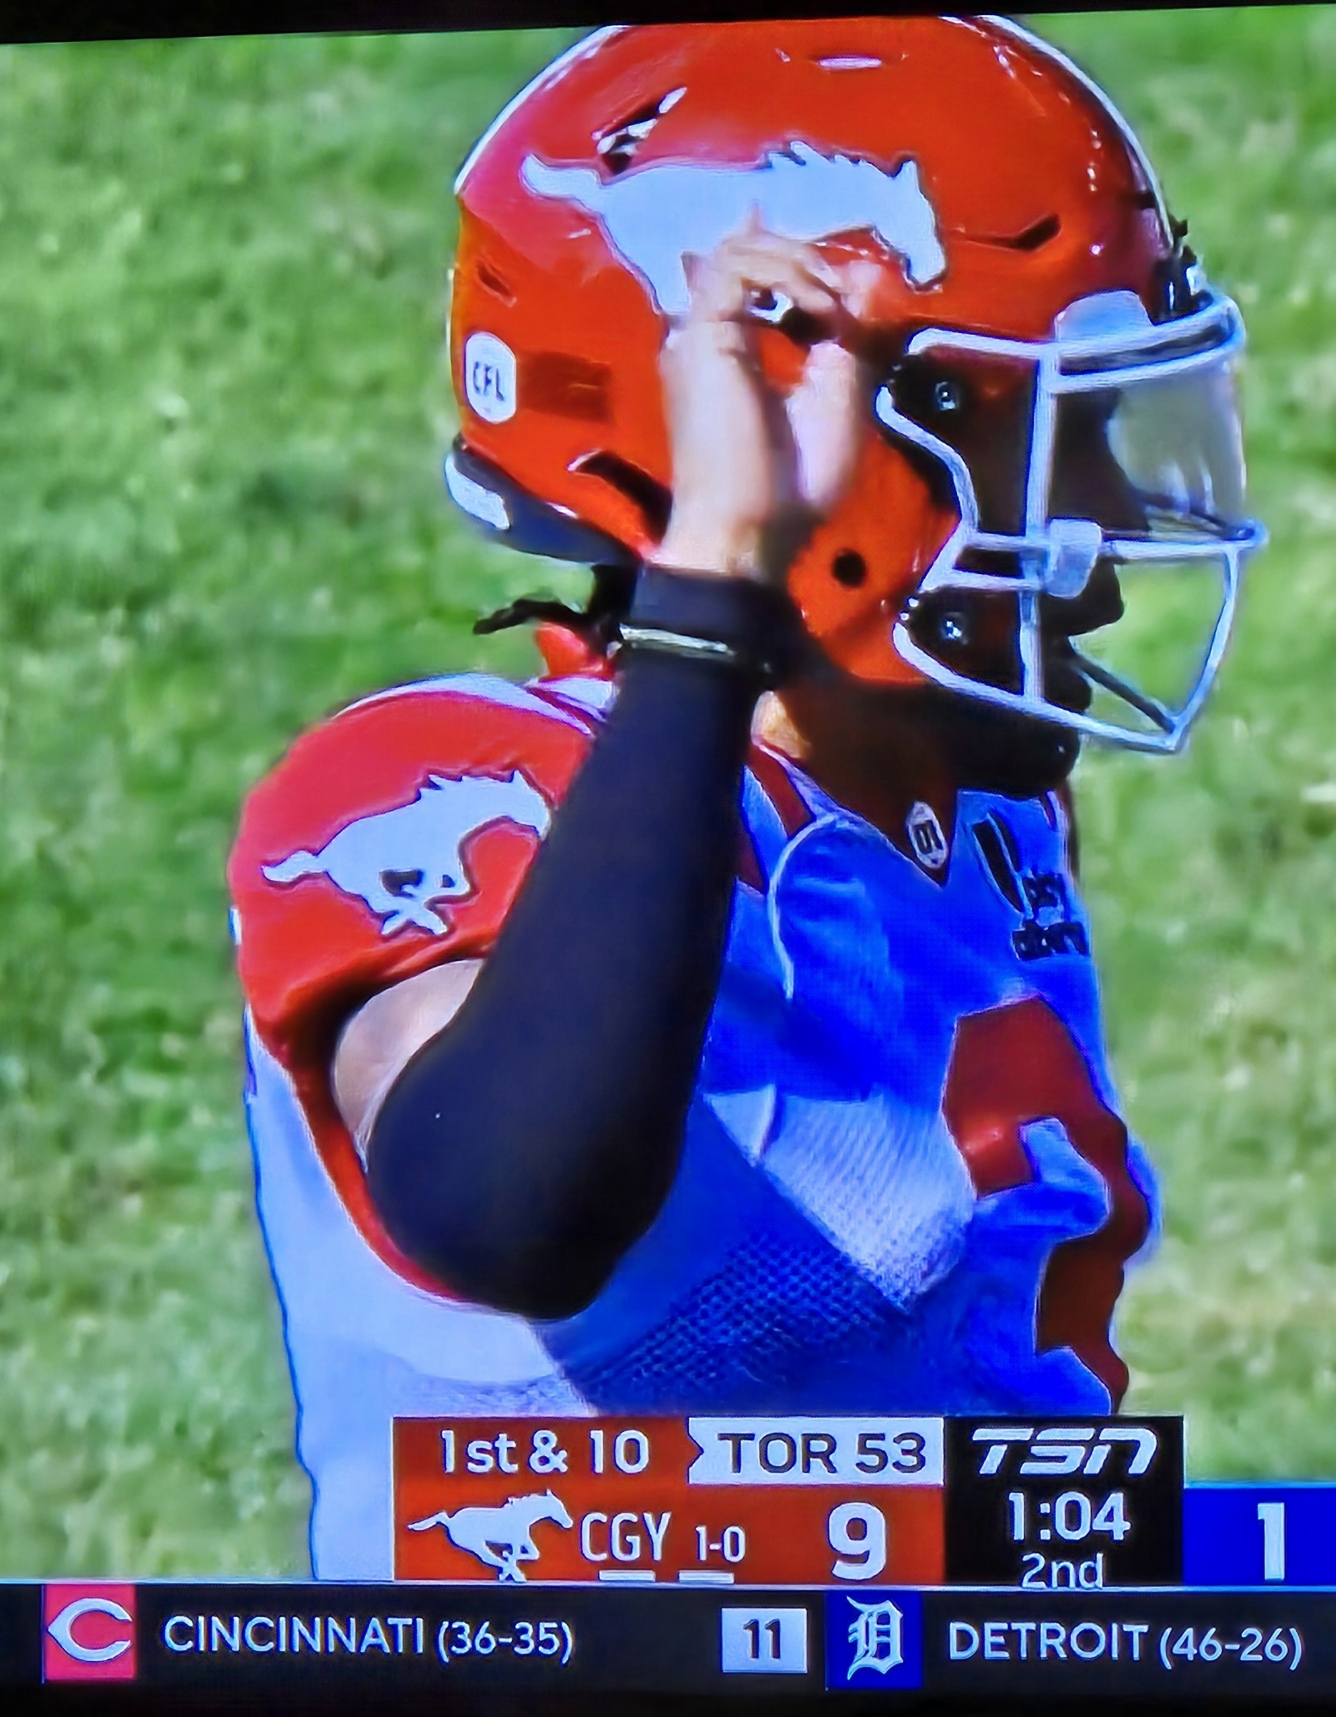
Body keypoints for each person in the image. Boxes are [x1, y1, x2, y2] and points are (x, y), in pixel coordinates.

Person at [228, 16, 1262, 1578]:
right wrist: (716, 591)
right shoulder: (446, 787)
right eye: (1037, 444)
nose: (1107, 534)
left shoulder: (979, 825)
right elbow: (507, 1208)